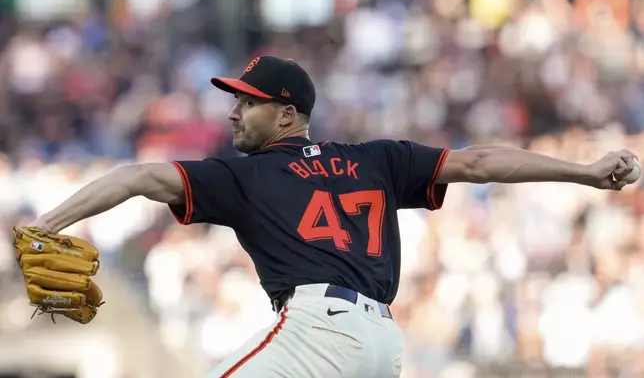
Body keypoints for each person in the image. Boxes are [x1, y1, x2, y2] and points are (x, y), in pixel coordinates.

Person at [25, 55, 637, 378]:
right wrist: (584, 172)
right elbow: (477, 164)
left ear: (288, 115)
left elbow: (137, 177)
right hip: (382, 348)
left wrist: (49, 222)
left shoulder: (245, 174)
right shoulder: (380, 159)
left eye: (248, 102)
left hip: (318, 332)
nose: (234, 113)